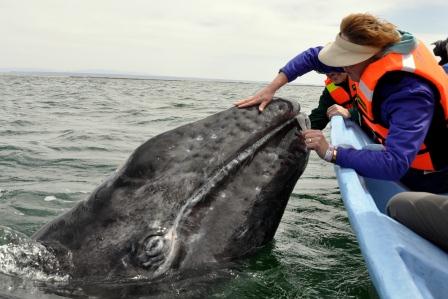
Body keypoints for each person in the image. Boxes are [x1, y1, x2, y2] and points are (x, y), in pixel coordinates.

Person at [235, 13, 448, 194]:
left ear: (372, 57)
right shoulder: (372, 52)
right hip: (410, 165)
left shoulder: (408, 93)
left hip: (434, 178)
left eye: (346, 61)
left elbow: (394, 164)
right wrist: (271, 89)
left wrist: (330, 152)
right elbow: (311, 57)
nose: (340, 68)